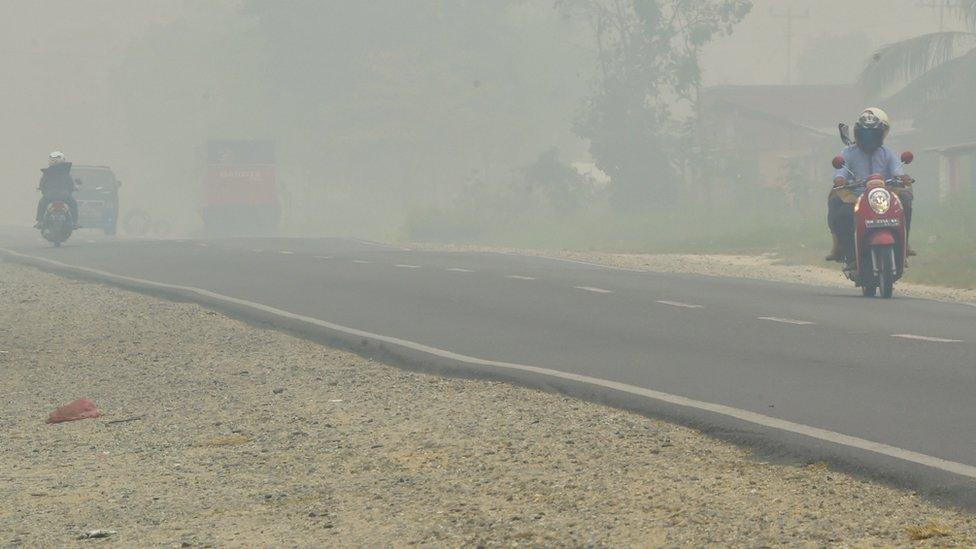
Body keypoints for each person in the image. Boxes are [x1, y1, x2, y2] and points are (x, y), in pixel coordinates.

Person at [825, 108, 914, 263]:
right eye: (865, 135)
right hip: (856, 196)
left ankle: (904, 244)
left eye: (873, 135)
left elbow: (897, 170)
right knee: (839, 211)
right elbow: (840, 172)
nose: (869, 139)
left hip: (884, 195)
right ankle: (845, 251)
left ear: (880, 135)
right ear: (857, 134)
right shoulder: (848, 152)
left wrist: (903, 177)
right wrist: (840, 180)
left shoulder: (887, 153)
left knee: (905, 199)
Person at [35, 151, 79, 229]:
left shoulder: (47, 173)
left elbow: (42, 184)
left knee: (41, 204)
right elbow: (70, 184)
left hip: (49, 196)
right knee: (74, 204)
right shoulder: (66, 173)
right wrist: (73, 189)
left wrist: (42, 189)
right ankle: (75, 223)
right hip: (65, 196)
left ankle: (39, 222)